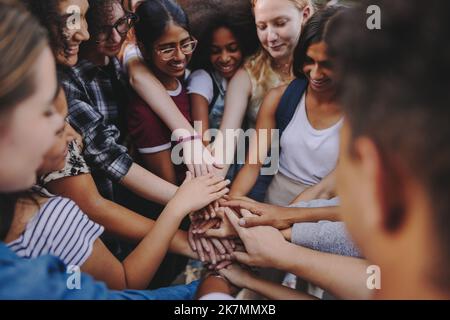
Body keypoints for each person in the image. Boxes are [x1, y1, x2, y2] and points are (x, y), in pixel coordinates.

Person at [0, 0, 196, 299]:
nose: (70, 133)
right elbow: (117, 287)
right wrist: (207, 288)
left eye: (121, 25)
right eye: (46, 112)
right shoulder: (49, 219)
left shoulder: (119, 62)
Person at [229, 6, 344, 206]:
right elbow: (253, 165)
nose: (315, 74)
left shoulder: (363, 112)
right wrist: (232, 204)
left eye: (327, 64)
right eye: (309, 61)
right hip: (272, 202)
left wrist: (278, 219)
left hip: (320, 213)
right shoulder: (280, 99)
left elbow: (327, 188)